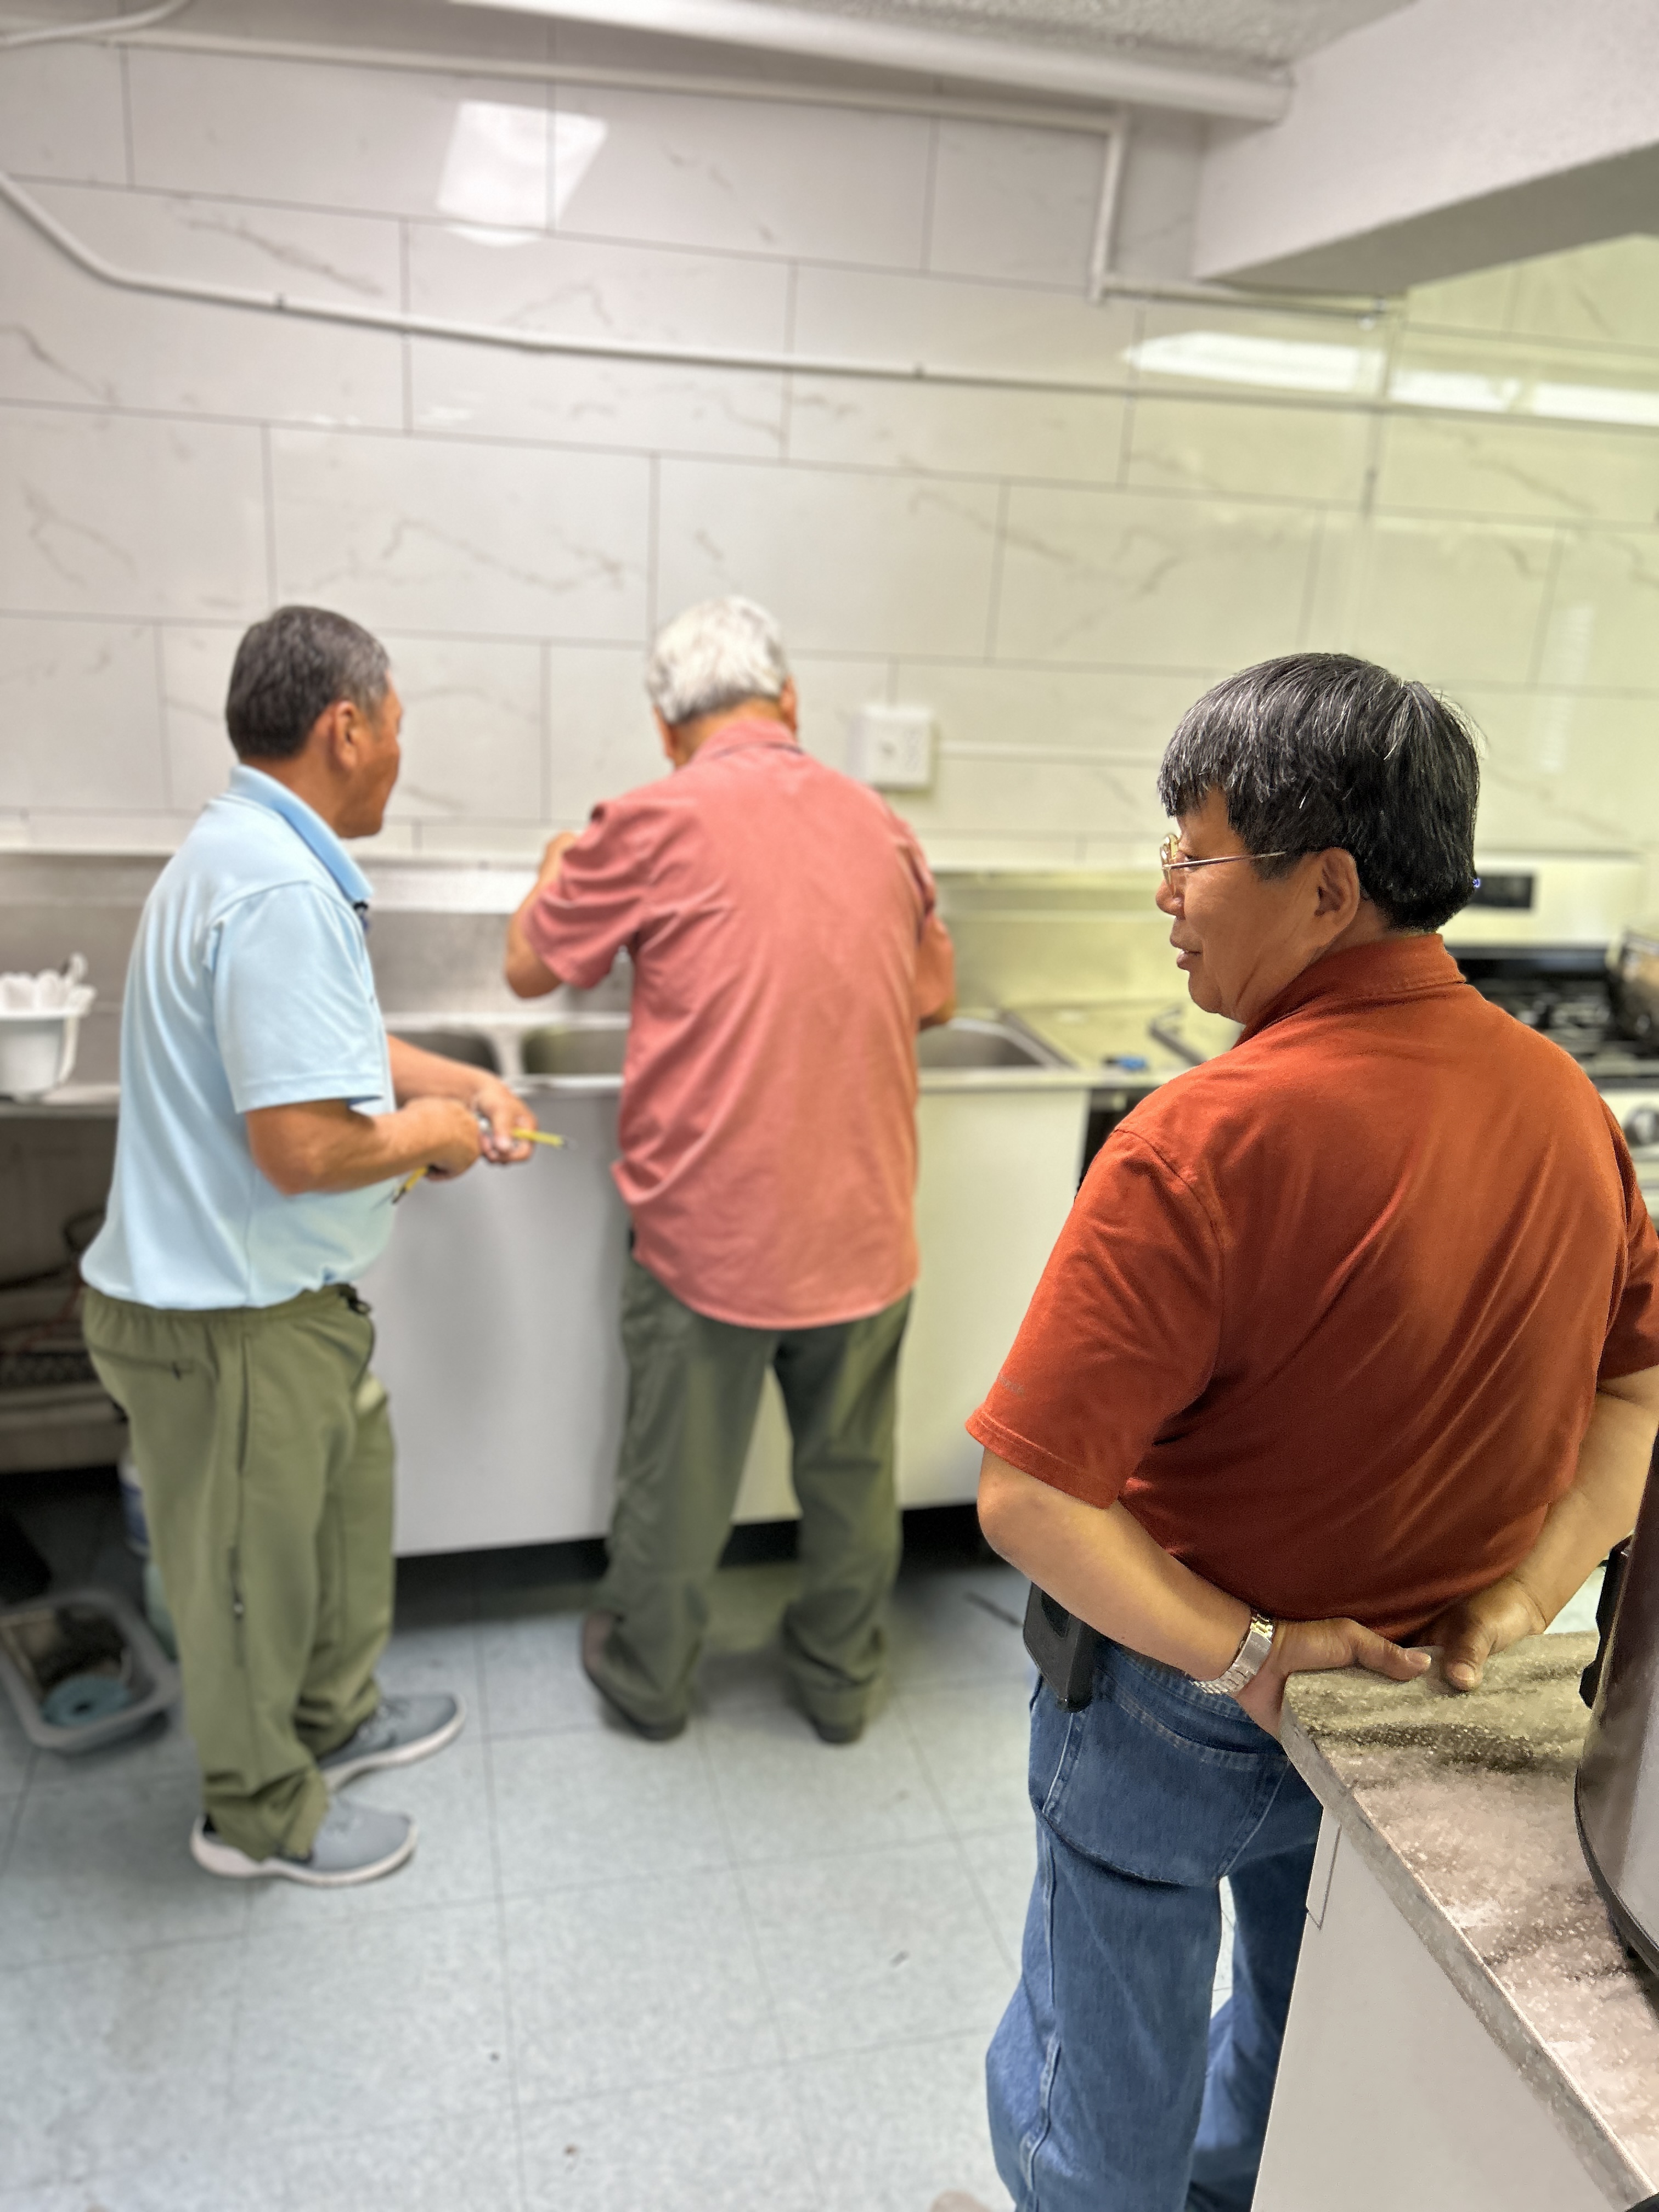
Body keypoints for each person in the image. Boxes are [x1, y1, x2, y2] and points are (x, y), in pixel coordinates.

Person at [967, 653, 1659, 2212]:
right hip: (1414, 1686)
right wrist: (1526, 1593)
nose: (1167, 892)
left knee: (1108, 2043)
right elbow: (1642, 1386)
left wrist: (1250, 1655)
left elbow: (1029, 1499)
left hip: (1191, 1690)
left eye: (1195, 854)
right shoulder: (1566, 1108)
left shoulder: (1203, 1142)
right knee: (1306, 1995)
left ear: (1328, 886)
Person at [81, 606, 537, 1888]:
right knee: (247, 1574)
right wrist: (437, 1134)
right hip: (225, 1320)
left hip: (283, 1303)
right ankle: (257, 1812)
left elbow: (320, 1049)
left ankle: (334, 1717)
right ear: (345, 728)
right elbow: (301, 1145)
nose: (398, 754)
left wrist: (457, 1080)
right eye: (395, 728)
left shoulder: (254, 853)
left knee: (342, 1499)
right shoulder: (279, 883)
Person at [504, 595, 956, 1743]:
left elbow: (530, 968)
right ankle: (839, 1683)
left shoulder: (646, 820)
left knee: (676, 1482)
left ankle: (650, 1680)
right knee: (852, 1478)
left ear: (666, 729)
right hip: (864, 1230)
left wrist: (556, 867)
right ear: (790, 701)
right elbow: (936, 995)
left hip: (711, 1241)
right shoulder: (882, 825)